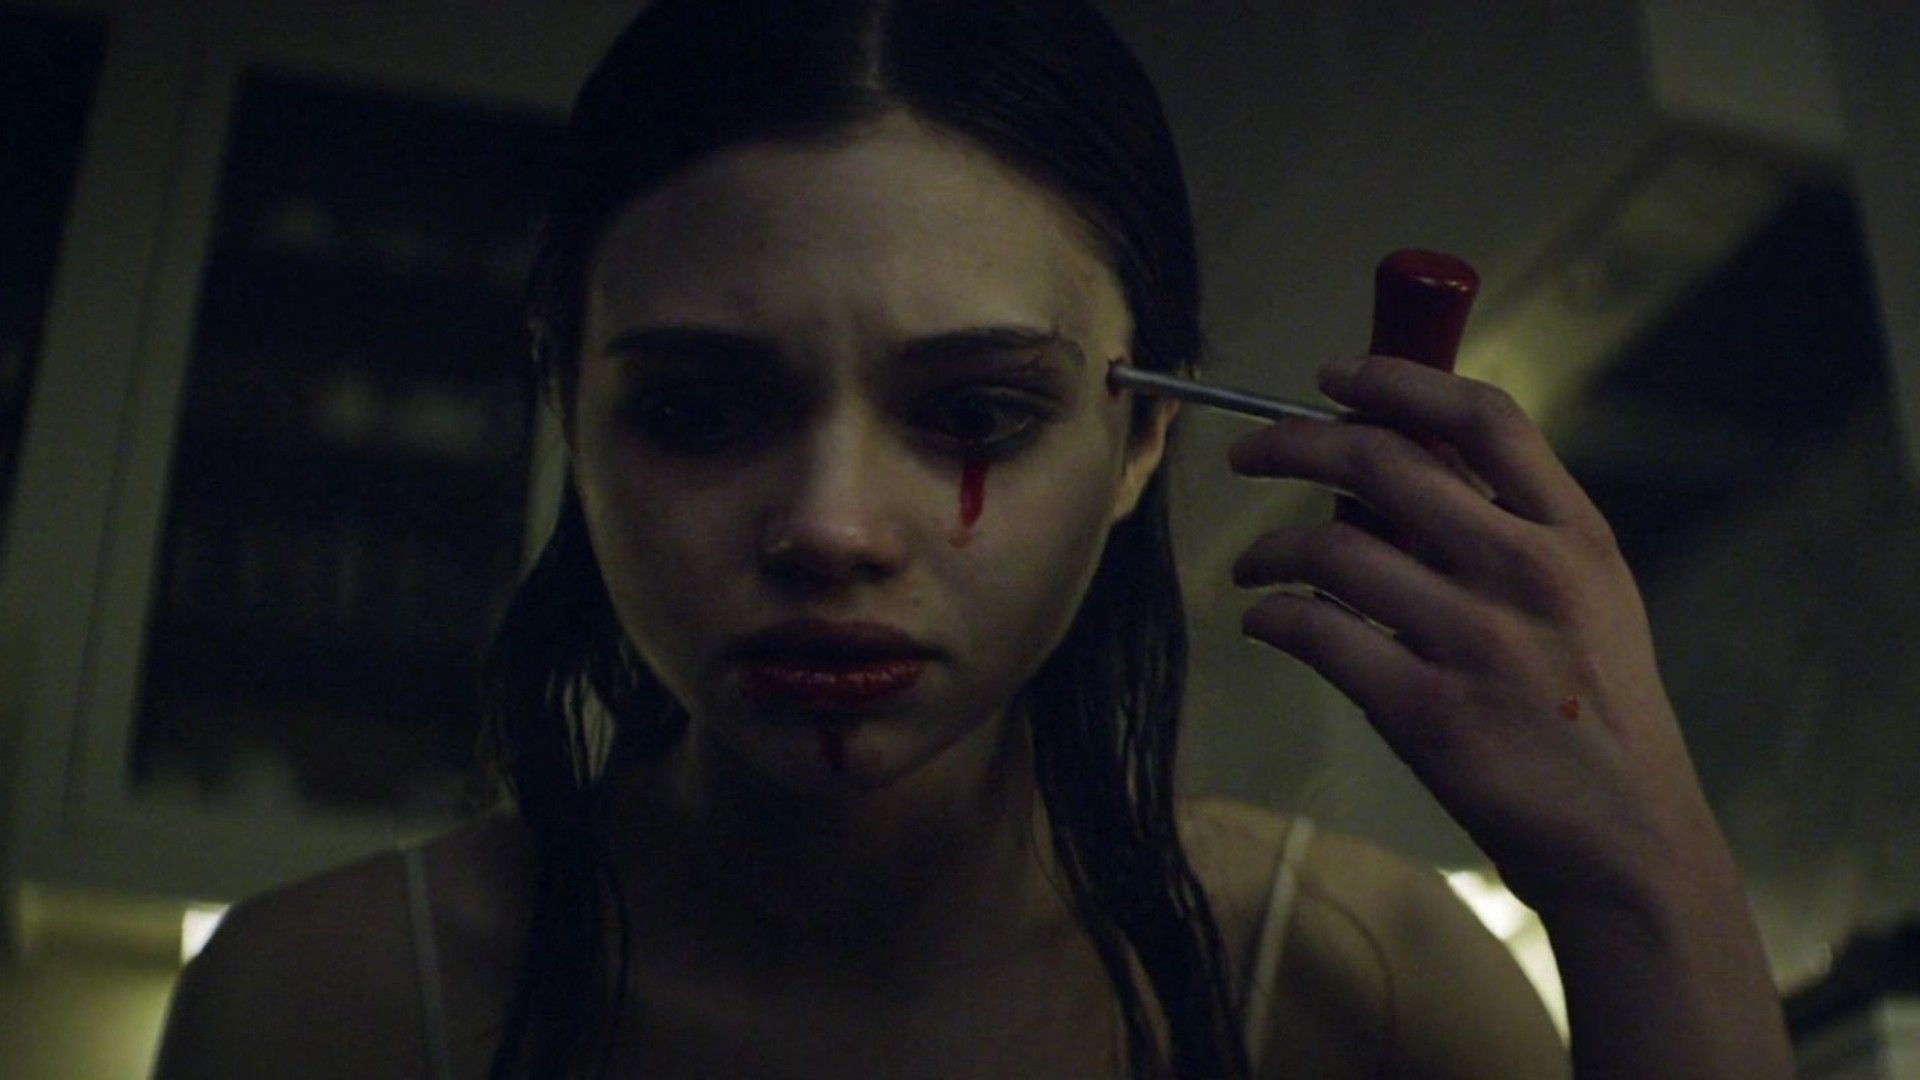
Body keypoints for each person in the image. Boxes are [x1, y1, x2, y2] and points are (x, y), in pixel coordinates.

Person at [154, 1, 1795, 1076]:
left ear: (1143, 432)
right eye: (702, 410)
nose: (830, 529)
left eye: (975, 413)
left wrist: (1648, 884)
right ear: (566, 410)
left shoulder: (1369, 985)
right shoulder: (319, 1011)